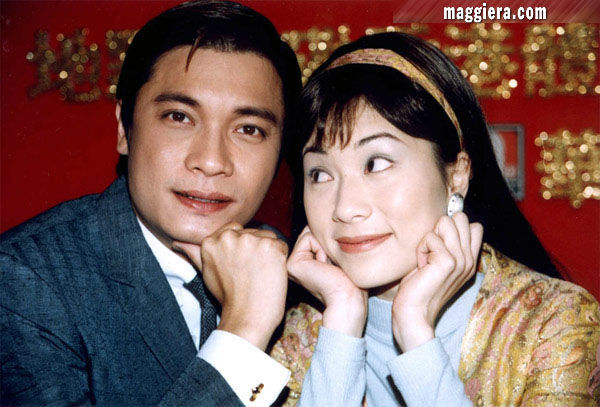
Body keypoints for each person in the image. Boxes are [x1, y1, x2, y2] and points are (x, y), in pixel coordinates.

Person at [270, 32, 600, 406]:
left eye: (376, 164)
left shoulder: (553, 323)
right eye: (319, 174)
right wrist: (342, 321)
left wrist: (414, 330)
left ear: (456, 174)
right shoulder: (303, 336)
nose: (345, 208)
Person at [1, 1, 302, 405]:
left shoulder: (293, 271)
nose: (211, 161)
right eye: (179, 117)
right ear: (124, 129)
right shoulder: (24, 281)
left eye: (248, 129)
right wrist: (244, 332)